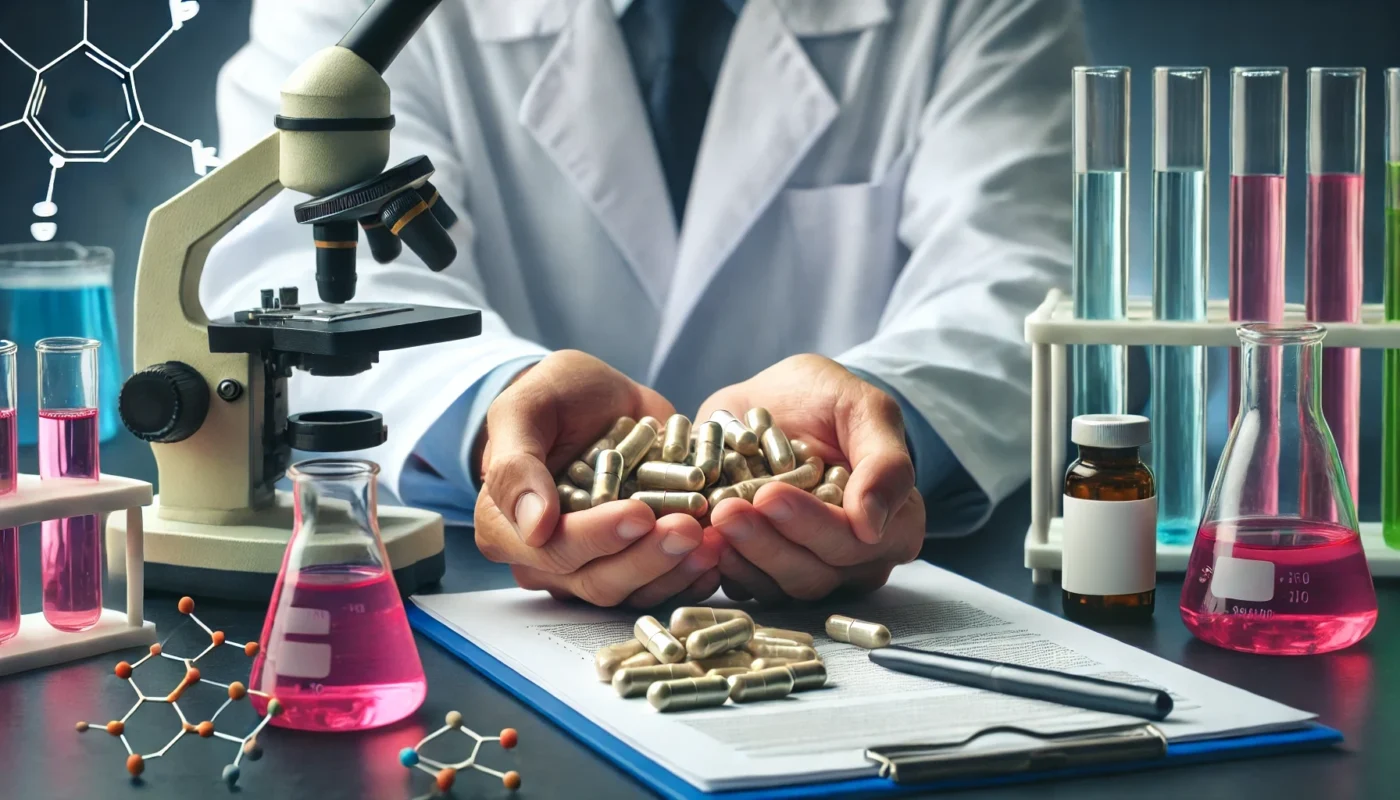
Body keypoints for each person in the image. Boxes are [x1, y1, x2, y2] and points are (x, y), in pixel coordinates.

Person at [204, 0, 1086, 607]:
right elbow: (287, 262)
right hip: (481, 595)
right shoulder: (352, 16)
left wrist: (875, 430)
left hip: (881, 581)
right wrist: (496, 410)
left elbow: (1022, 274)